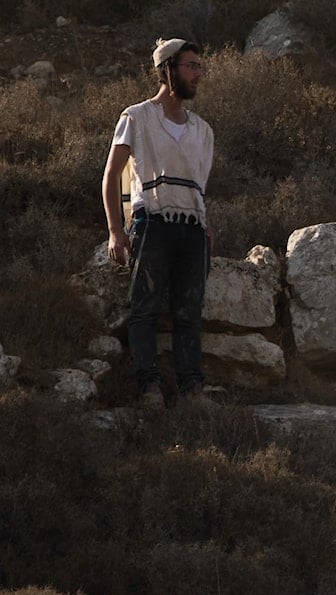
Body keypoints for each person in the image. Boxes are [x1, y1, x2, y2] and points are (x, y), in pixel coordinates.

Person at [102, 38, 214, 408]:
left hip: (192, 230)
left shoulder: (202, 130)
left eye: (199, 67)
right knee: (144, 309)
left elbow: (199, 186)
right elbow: (112, 176)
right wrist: (116, 230)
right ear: (168, 70)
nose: (198, 74)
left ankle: (192, 391)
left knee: (188, 312)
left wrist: (207, 225)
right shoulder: (136, 117)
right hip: (153, 223)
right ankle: (149, 387)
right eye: (191, 66)